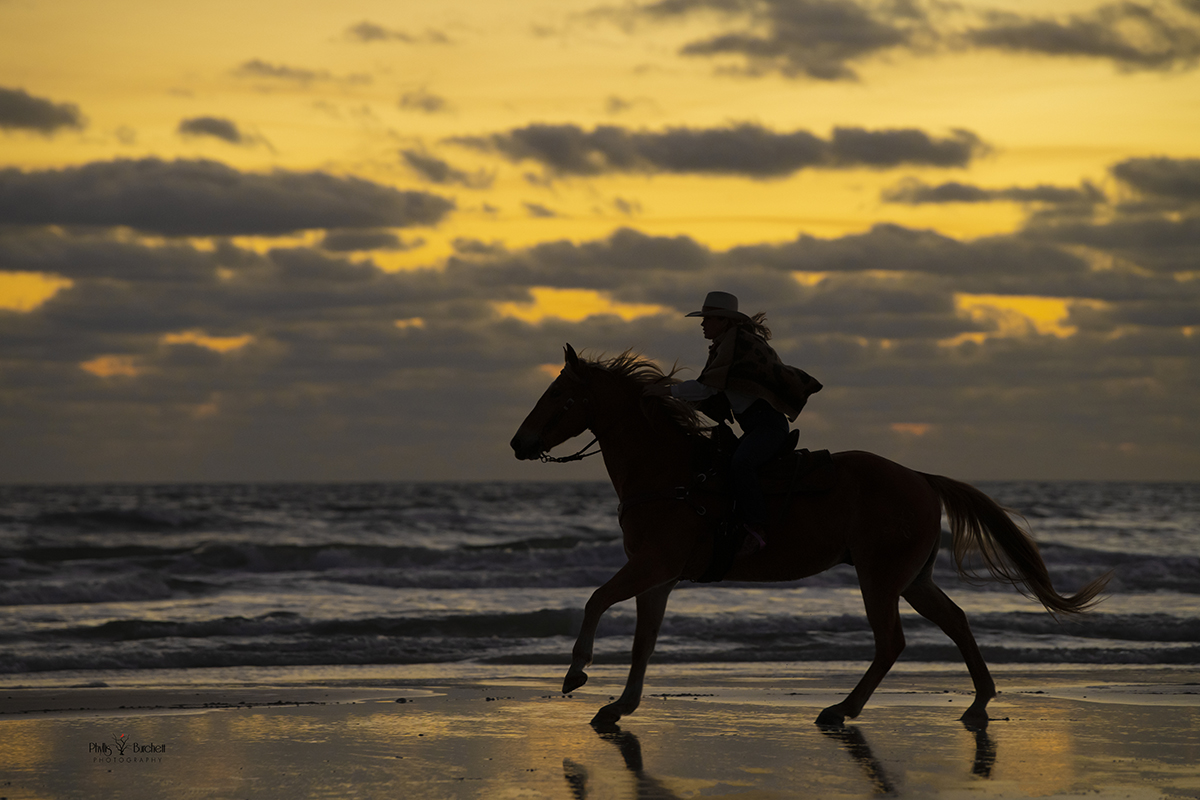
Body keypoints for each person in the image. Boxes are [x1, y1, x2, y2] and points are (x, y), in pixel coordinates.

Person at [645, 291, 822, 549]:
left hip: (767, 426)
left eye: (708, 318)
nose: (702, 323)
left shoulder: (736, 345)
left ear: (724, 321)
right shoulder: (729, 344)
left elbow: (707, 388)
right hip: (756, 426)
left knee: (742, 464)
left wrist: (666, 391)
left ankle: (756, 526)